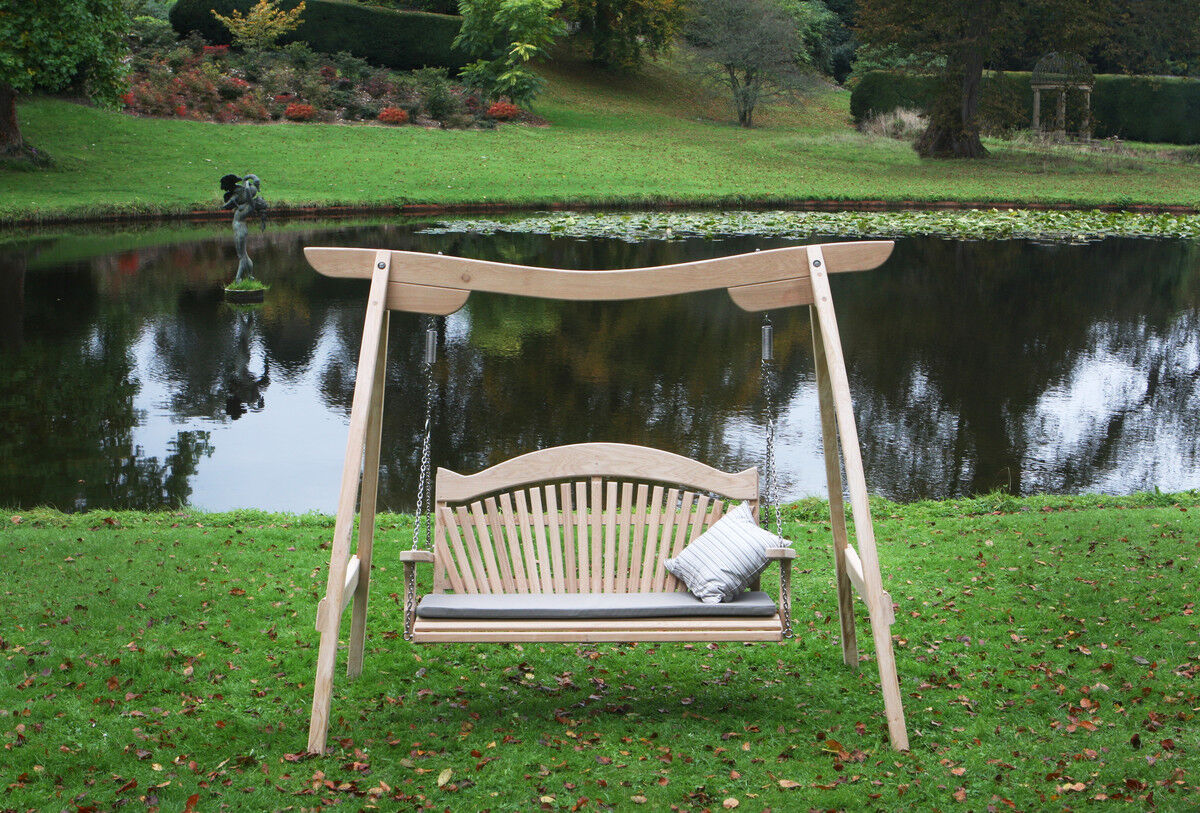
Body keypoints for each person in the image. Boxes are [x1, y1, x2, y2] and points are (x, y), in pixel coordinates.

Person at [220, 174, 269, 282]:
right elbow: (245, 192)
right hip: (239, 229)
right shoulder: (245, 204)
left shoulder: (250, 206)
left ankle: (238, 278)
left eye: (259, 200)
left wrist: (246, 183)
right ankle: (250, 276)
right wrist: (246, 178)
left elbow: (247, 191)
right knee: (244, 254)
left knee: (241, 255)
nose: (258, 198)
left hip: (241, 229)